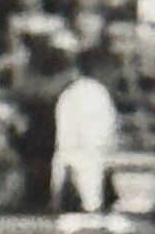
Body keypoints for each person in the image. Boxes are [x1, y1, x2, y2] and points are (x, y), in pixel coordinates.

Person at [52, 64, 118, 213]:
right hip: (87, 155)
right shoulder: (94, 92)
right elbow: (104, 135)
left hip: (75, 155)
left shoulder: (71, 93)